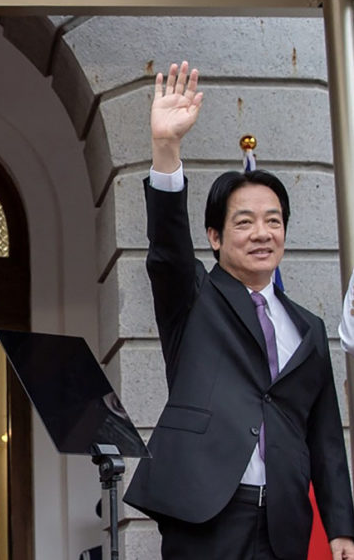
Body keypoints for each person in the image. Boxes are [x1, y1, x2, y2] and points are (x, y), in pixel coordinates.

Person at [122, 61, 354, 559]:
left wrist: (341, 527)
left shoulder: (309, 329)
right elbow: (167, 249)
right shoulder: (194, 297)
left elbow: (325, 438)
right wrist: (166, 149)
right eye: (244, 222)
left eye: (274, 221)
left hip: (284, 522)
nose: (262, 233)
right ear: (215, 236)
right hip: (206, 517)